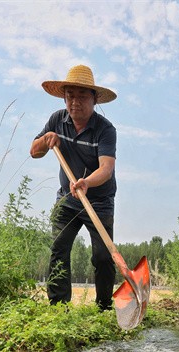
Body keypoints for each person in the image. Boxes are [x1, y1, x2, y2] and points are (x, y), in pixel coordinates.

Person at [30, 65, 118, 311]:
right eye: (70, 96)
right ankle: (59, 308)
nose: (74, 102)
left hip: (99, 200)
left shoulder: (105, 130)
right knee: (59, 249)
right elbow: (33, 151)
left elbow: (106, 169)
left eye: (81, 96)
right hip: (67, 198)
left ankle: (104, 307)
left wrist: (86, 182)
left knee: (103, 256)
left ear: (94, 98)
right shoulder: (57, 120)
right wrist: (46, 141)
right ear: (64, 97)